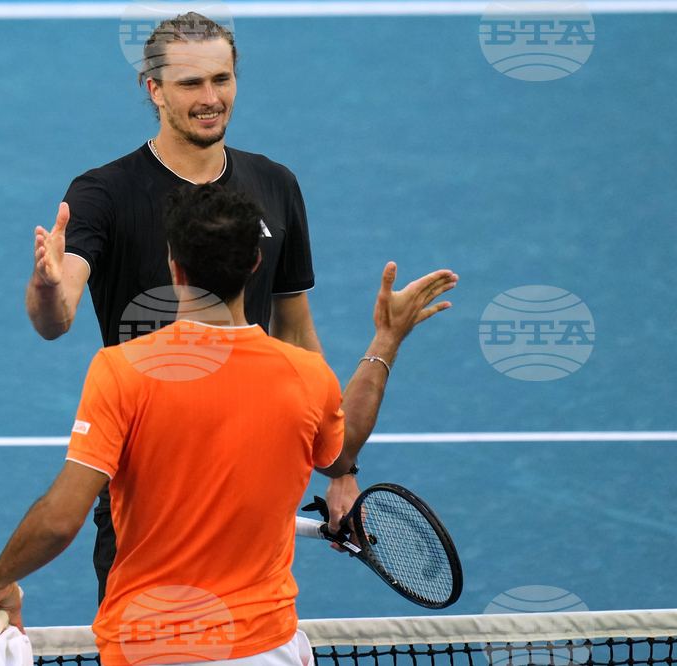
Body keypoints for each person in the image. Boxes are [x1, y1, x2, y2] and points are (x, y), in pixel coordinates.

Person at [24, 12, 456, 603]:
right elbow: (58, 319)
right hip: (146, 484)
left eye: (221, 80)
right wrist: (47, 287)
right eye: (189, 84)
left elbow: (296, 332)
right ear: (153, 90)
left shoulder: (274, 185)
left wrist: (341, 471)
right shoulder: (104, 193)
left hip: (254, 471)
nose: (210, 99)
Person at [0, 184, 457, 666]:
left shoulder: (122, 370)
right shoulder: (307, 375)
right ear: (253, 265)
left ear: (173, 265)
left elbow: (61, 520)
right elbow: (341, 453)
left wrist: (0, 578)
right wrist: (387, 339)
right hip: (267, 649)